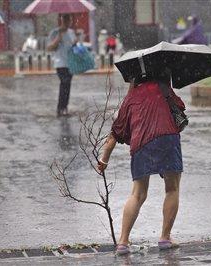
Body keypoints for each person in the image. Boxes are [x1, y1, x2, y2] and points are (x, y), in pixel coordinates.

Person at [97, 72, 185, 255]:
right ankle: (165, 237)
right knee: (172, 188)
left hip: (141, 143)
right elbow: (180, 109)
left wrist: (104, 159)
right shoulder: (164, 89)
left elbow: (115, 132)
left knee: (137, 194)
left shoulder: (131, 98)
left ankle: (122, 242)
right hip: (167, 139)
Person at [47, 14, 77, 117]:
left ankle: (64, 107)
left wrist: (75, 43)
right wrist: (58, 38)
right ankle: (60, 108)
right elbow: (49, 47)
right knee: (64, 84)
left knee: (67, 86)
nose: (68, 22)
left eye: (69, 19)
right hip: (60, 63)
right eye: (66, 19)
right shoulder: (55, 32)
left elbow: (72, 47)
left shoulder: (72, 32)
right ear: (62, 20)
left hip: (70, 63)